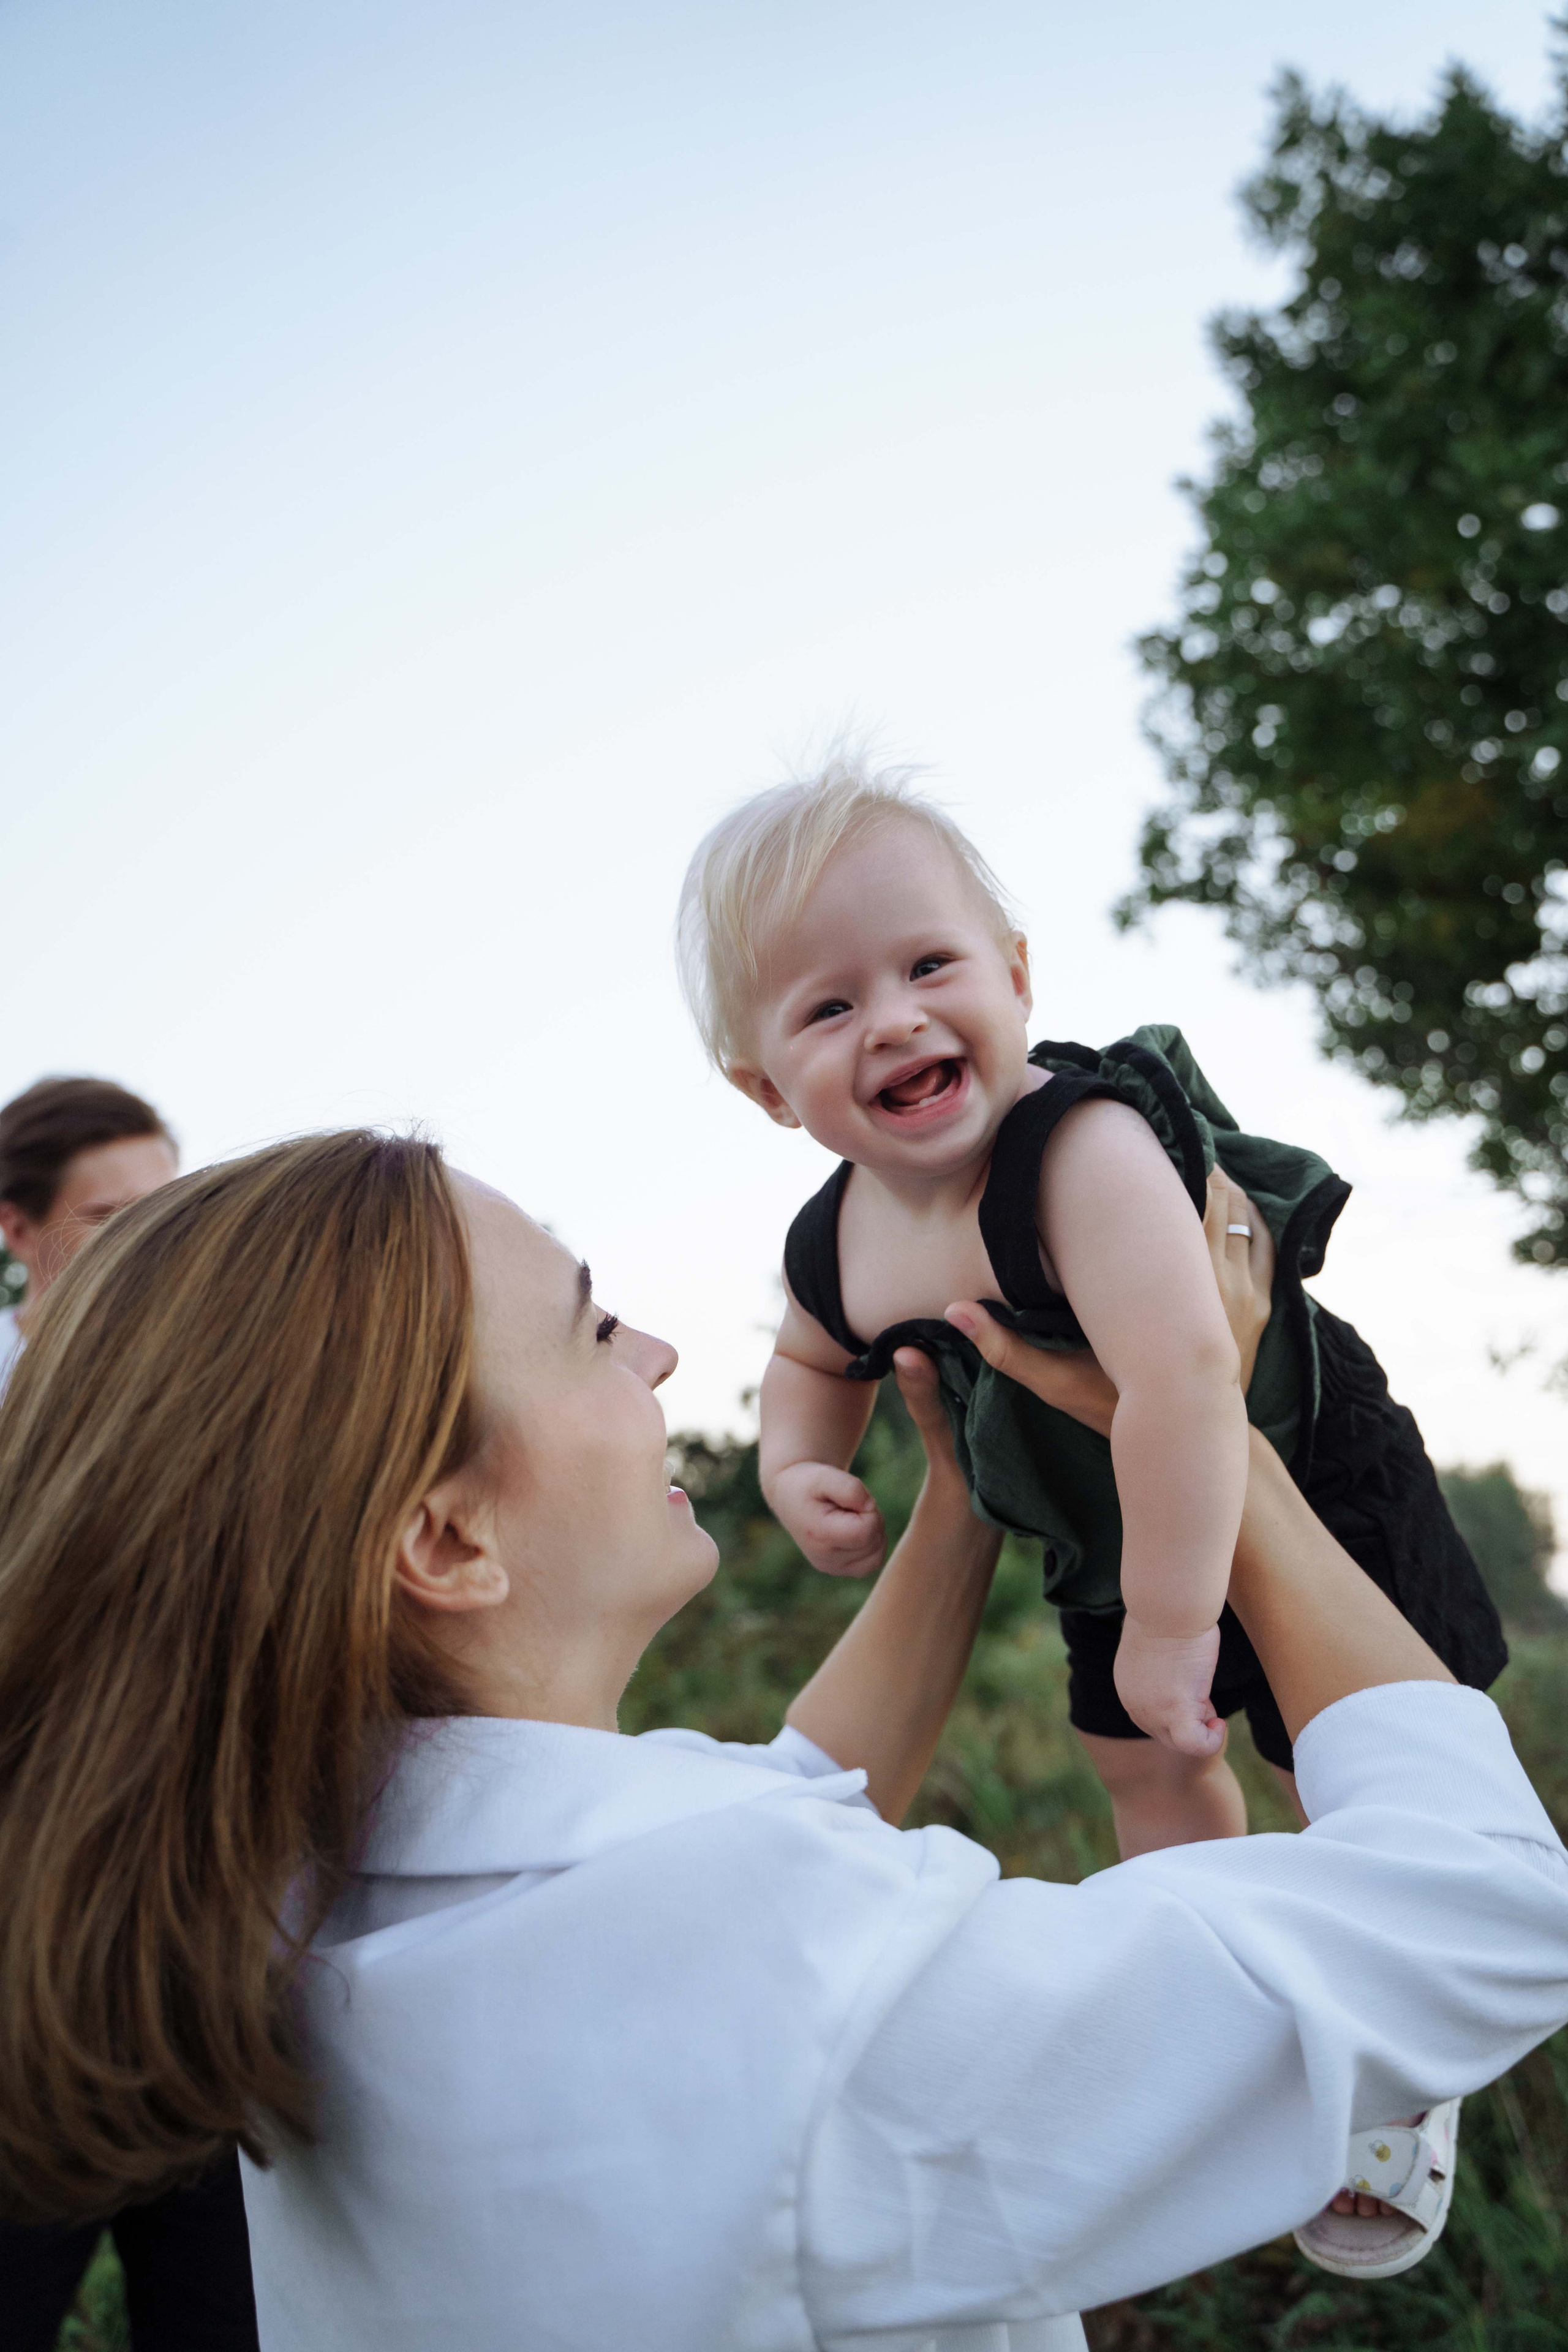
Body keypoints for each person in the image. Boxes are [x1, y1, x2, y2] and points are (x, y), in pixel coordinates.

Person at [0, 1130, 1562, 2351]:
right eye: (590, 1325)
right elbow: (1486, 1906)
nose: (658, 1358)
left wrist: (964, 1492)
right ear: (447, 1539)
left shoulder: (296, 1882)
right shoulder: (772, 1982)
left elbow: (784, 1800)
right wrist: (1214, 1422)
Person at [0, 1074, 260, 2352]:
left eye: (171, 1209)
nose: (155, 1242)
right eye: (111, 1218)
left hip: (211, 1944)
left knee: (220, 2317)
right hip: (23, 1963)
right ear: (18, 1231)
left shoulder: (219, 1407)